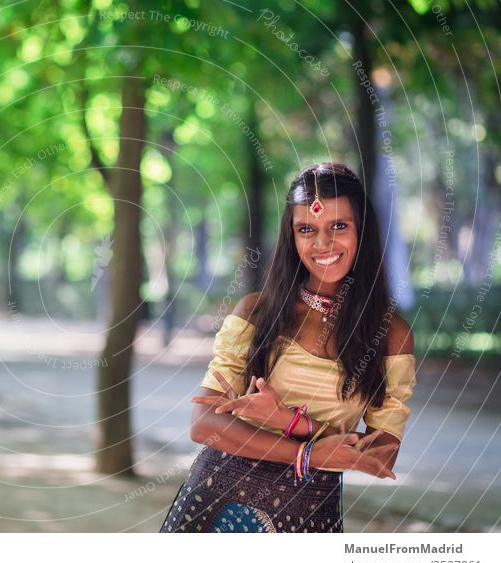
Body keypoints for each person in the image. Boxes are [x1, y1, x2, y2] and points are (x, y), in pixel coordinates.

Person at [159, 162, 417, 533]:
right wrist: (307, 452)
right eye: (306, 229)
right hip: (216, 508)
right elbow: (203, 425)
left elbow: (382, 456)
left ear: (363, 231)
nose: (322, 244)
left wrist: (292, 422)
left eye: (339, 227)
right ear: (292, 238)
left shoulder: (390, 335)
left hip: (311, 518)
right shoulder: (257, 313)